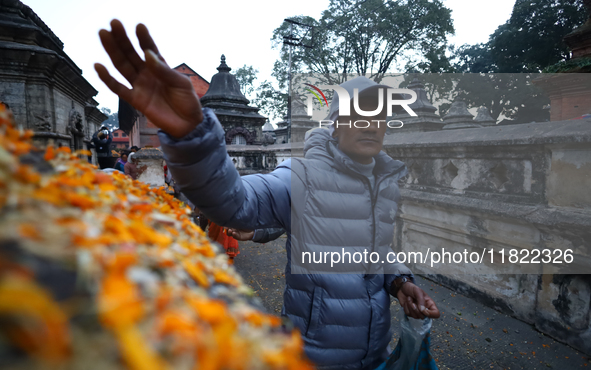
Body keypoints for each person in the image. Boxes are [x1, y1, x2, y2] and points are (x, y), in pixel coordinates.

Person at [95, 19, 440, 370]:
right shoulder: (301, 175)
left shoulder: (385, 182)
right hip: (311, 355)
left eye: (378, 116)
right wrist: (194, 138)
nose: (370, 124)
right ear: (335, 124)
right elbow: (238, 203)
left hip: (375, 352)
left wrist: (400, 281)